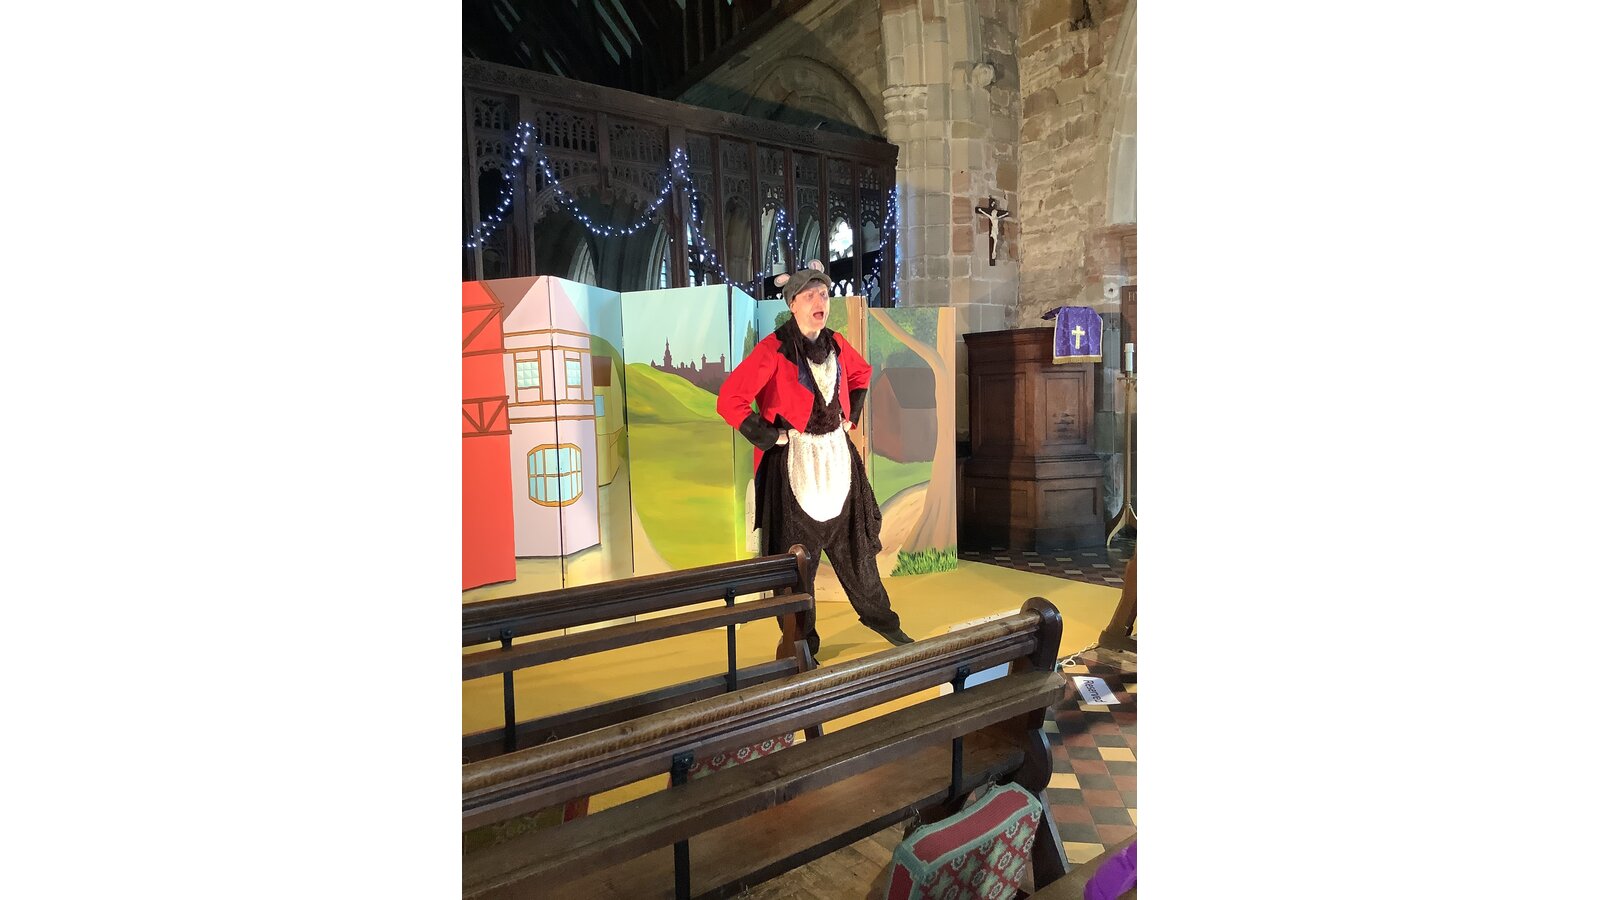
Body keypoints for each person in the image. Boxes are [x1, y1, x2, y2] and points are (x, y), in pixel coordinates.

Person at [717, 260, 914, 653]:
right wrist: (770, 435)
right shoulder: (772, 349)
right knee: (796, 563)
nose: (819, 301)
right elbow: (730, 400)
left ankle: (884, 622)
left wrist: (851, 415)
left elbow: (861, 374)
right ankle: (801, 642)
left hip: (837, 459)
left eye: (823, 293)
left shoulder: (836, 343)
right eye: (809, 295)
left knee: (857, 552)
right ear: (793, 304)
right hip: (795, 466)